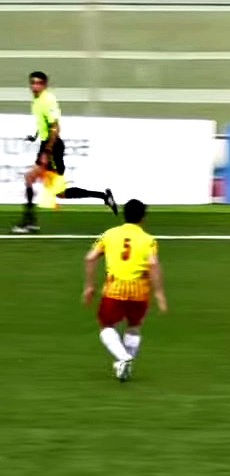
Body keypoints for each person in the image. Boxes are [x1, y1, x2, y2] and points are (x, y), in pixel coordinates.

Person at [13, 71, 117, 234]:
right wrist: (35, 136)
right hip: (47, 145)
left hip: (52, 147)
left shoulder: (48, 100)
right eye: (33, 83)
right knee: (59, 193)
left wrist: (47, 151)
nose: (35, 86)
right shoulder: (37, 101)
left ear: (45, 85)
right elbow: (44, 123)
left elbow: (55, 127)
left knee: (30, 178)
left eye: (39, 83)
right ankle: (104, 196)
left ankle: (29, 222)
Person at [83, 199, 168, 382]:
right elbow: (153, 264)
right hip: (139, 291)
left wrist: (89, 286)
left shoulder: (108, 234)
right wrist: (159, 293)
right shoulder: (149, 240)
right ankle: (124, 363)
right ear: (143, 217)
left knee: (106, 326)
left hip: (114, 289)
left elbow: (90, 258)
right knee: (134, 327)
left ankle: (123, 358)